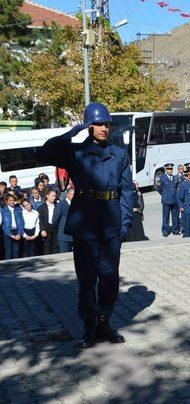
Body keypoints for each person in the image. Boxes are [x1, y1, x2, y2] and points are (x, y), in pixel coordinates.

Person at [36, 102, 134, 349]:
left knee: (110, 276)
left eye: (106, 123)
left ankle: (104, 321)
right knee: (87, 278)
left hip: (111, 221)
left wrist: (124, 223)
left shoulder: (119, 154)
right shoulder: (76, 152)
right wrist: (71, 133)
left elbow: (125, 191)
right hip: (85, 221)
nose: (104, 128)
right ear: (89, 126)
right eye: (98, 123)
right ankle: (89, 326)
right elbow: (44, 153)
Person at [157, 163, 180, 237]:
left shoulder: (175, 178)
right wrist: (164, 195)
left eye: (171, 169)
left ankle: (175, 230)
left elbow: (176, 188)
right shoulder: (163, 178)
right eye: (168, 169)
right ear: (166, 170)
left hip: (174, 200)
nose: (170, 171)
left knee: (175, 216)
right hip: (166, 200)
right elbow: (159, 188)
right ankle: (165, 231)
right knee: (166, 216)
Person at [1, 194, 24, 260]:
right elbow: (3, 225)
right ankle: (8, 269)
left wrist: (19, 234)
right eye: (10, 201)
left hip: (16, 231)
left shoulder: (18, 210)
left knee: (16, 252)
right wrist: (11, 235)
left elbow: (22, 222)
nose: (12, 202)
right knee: (8, 252)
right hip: (8, 233)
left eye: (13, 200)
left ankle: (16, 267)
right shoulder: (3, 211)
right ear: (6, 201)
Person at [38, 189, 58, 255]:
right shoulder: (41, 207)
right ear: (47, 196)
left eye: (55, 196)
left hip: (55, 227)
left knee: (55, 244)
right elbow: (40, 219)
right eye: (52, 196)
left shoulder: (57, 205)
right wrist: (42, 230)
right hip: (47, 227)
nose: (54, 198)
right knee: (47, 245)